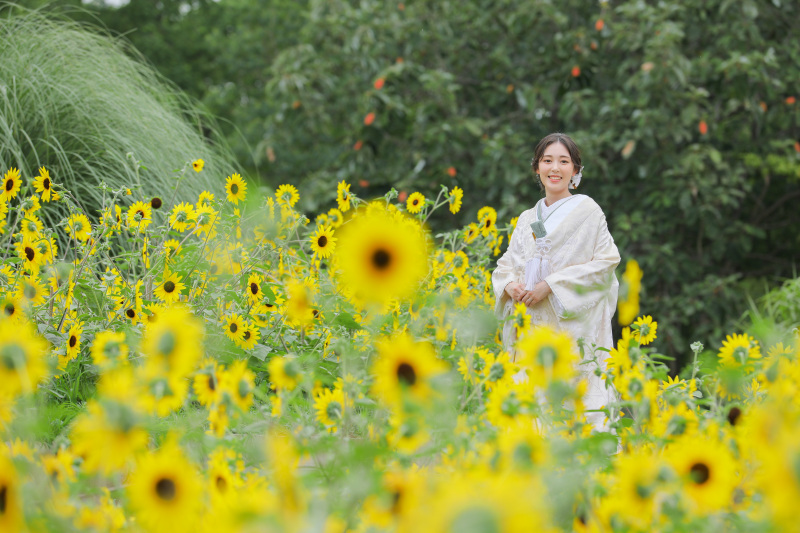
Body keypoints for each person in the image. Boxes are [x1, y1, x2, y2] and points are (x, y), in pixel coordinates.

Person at [491, 132, 620, 432]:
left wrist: (551, 285)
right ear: (537, 167)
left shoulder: (589, 212)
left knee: (571, 415)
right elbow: (506, 265)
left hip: (569, 330)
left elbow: (606, 262)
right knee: (529, 416)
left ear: (575, 170)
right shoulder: (526, 218)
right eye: (547, 160)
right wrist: (511, 286)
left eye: (564, 161)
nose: (555, 168)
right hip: (529, 331)